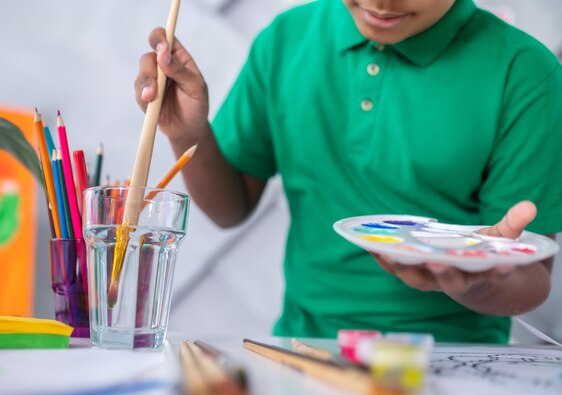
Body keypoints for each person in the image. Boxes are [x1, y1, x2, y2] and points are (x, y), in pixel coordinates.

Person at [134, 0, 562, 343]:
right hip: (303, 349)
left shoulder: (525, 73)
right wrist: (187, 133)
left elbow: (534, 280)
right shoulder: (286, 40)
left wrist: (475, 281)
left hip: (454, 363)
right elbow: (230, 208)